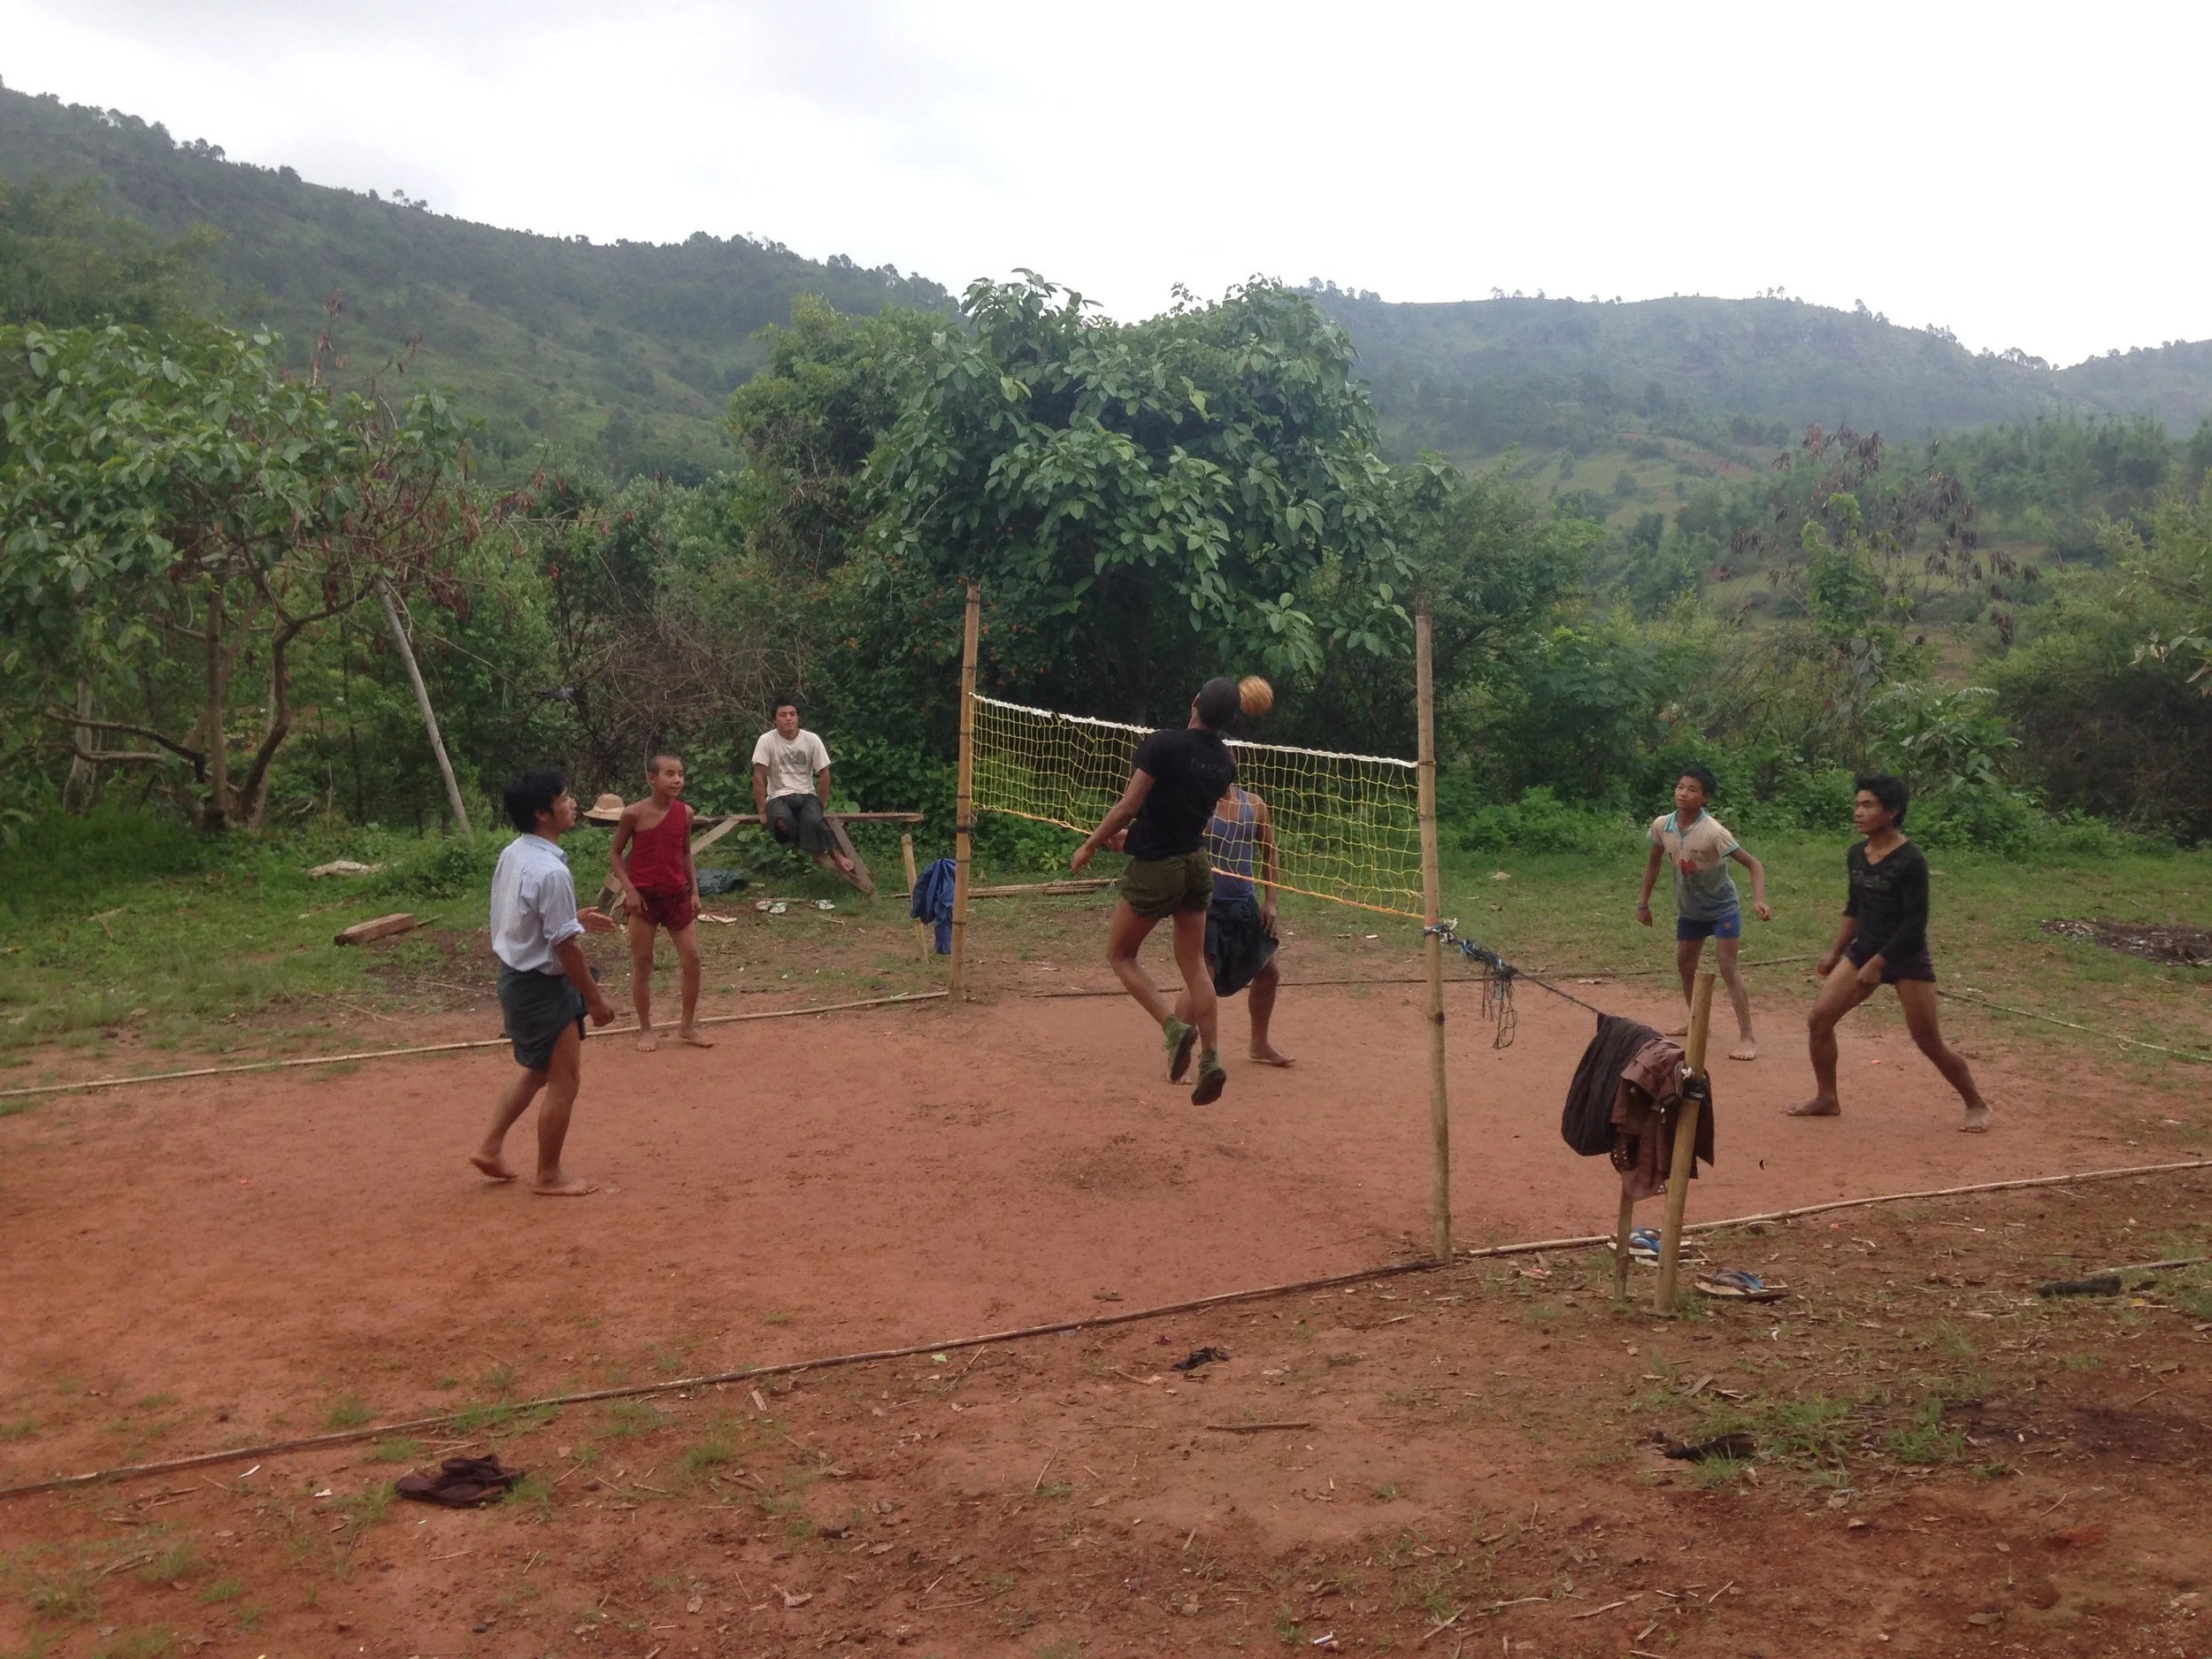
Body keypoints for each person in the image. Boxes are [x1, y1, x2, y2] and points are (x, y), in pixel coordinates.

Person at [1071, 677, 1242, 1104]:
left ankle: (1173, 1028)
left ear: (1195, 702)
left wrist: (1090, 844)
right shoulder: (1225, 763)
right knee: (1196, 967)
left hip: (1159, 869)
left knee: (1120, 955)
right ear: (1229, 719)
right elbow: (1182, 815)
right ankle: (1212, 1059)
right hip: (1196, 866)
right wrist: (1132, 838)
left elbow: (1130, 804)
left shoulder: (1163, 744)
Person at [1793, 773, 1991, 1133]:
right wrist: (1835, 952)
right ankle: (1827, 1098)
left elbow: (1916, 922)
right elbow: (1854, 908)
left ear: (1892, 811)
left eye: (1867, 805)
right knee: (1819, 1021)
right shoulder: (1856, 854)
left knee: (1928, 1040)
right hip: (1864, 949)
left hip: (1905, 955)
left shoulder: (1911, 859)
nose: (1858, 812)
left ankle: (1976, 1103)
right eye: (1857, 804)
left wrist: (1879, 964)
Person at [474, 767, 618, 1195]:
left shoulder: (515, 853)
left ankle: (490, 1146)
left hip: (517, 978)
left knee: (539, 1070)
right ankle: (549, 1175)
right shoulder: (551, 872)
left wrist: (574, 922)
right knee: (564, 1080)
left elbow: (527, 921)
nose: (573, 803)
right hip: (541, 986)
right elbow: (566, 950)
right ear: (542, 813)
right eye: (565, 797)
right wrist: (595, 999)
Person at [1636, 764, 1771, 1061]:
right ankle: (1697, 1021)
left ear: (1706, 797)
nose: (1683, 794)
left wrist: (1759, 900)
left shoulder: (1714, 832)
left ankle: (1747, 1037)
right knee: (1685, 964)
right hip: (1690, 911)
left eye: (1692, 790)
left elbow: (1754, 865)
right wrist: (1643, 904)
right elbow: (1654, 863)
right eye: (1681, 787)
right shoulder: (1662, 825)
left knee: (1728, 968)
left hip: (1723, 909)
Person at [1173, 783, 1294, 1068]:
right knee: (1203, 979)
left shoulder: (1253, 805)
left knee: (1269, 973)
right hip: (1205, 907)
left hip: (1244, 906)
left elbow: (1270, 852)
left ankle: (1259, 1044)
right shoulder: (1196, 803)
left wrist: (1271, 901)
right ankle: (1177, 1053)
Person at [608, 755, 711, 1053]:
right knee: (643, 963)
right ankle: (645, 1028)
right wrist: (629, 890)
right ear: (651, 779)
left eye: (680, 774)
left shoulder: (686, 813)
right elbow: (616, 853)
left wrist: (694, 892)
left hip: (677, 895)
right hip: (644, 900)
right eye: (669, 774)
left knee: (692, 960)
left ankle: (687, 1025)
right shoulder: (633, 814)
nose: (677, 780)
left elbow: (685, 854)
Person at [751, 696, 860, 884]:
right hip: (779, 795)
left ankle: (833, 854)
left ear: (798, 717)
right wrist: (762, 809)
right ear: (774, 719)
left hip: (806, 793)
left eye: (792, 714)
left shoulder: (811, 740)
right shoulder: (766, 740)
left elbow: (824, 773)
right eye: (783, 715)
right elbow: (758, 775)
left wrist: (821, 804)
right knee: (782, 822)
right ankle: (820, 851)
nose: (788, 719)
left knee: (814, 819)